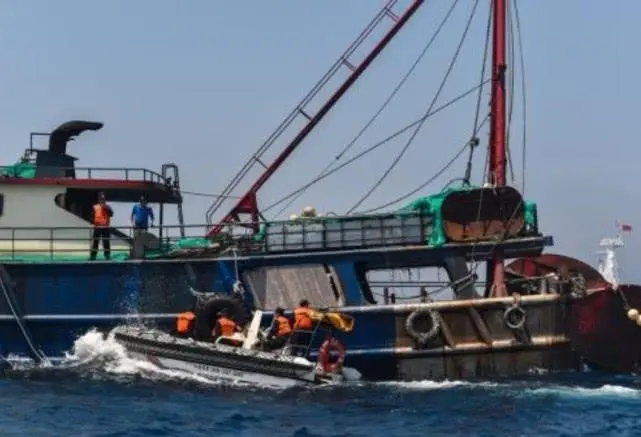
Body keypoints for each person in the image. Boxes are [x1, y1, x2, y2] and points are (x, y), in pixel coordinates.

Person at [90, 192, 113, 260]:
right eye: (101, 199)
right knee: (95, 242)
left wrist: (106, 208)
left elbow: (111, 214)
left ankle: (107, 255)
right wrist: (94, 221)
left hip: (105, 228)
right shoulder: (95, 207)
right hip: (97, 227)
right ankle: (93, 256)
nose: (102, 201)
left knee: (106, 242)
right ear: (98, 200)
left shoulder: (108, 207)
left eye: (103, 199)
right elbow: (91, 216)